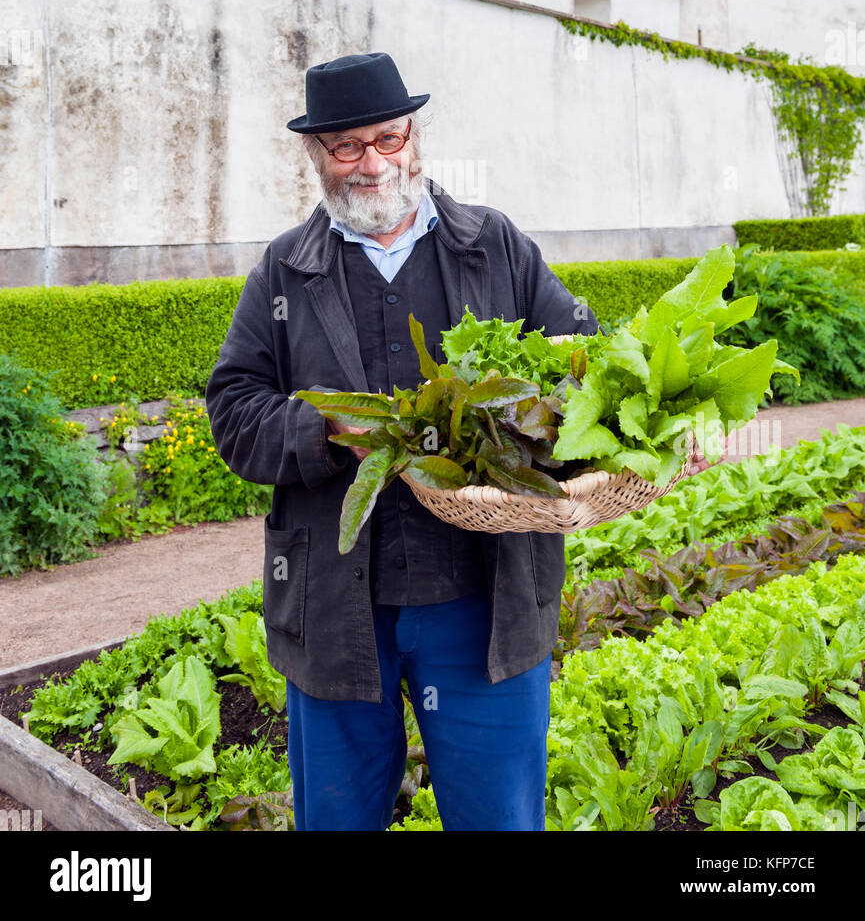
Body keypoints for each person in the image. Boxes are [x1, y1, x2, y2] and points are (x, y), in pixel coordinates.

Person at [205, 51, 697, 832]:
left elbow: (585, 370)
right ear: (316, 155)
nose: (372, 163)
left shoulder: (493, 244)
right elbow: (232, 412)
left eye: (387, 139)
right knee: (335, 821)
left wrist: (650, 432)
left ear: (413, 136)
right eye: (347, 146)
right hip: (337, 607)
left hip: (482, 601)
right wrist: (329, 431)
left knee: (497, 819)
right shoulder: (284, 272)